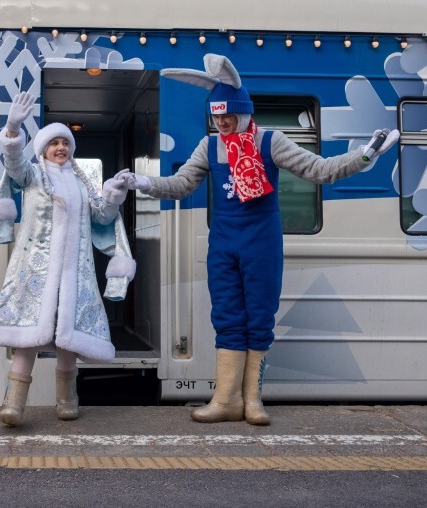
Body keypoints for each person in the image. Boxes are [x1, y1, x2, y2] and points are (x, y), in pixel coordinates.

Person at [119, 54, 399, 426]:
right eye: (216, 117)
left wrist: (363, 157)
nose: (221, 123)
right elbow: (182, 184)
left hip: (261, 244)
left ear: (243, 113)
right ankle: (225, 400)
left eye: (227, 117)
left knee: (259, 319)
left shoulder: (271, 141)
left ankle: (252, 401)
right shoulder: (209, 147)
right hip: (223, 245)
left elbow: (318, 171)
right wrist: (144, 182)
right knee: (227, 318)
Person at [0, 91, 135, 426]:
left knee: (67, 334)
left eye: (65, 143)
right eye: (54, 143)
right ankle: (13, 403)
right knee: (29, 335)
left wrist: (113, 192)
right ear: (42, 149)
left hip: (75, 273)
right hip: (34, 270)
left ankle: (67, 399)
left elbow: (101, 216)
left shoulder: (82, 184)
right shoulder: (33, 175)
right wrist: (12, 129)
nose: (60, 148)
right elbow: (14, 164)